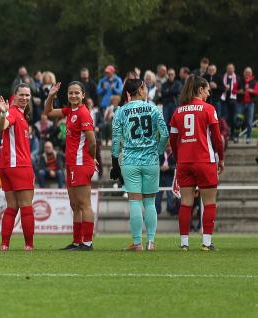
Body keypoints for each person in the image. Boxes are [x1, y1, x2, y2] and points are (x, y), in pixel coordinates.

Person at [111, 78, 169, 251]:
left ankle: (137, 243)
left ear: (128, 93)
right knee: (150, 203)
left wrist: (115, 162)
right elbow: (165, 134)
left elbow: (115, 140)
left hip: (130, 161)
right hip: (151, 160)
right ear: (141, 90)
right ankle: (151, 242)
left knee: (134, 202)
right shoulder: (153, 108)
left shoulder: (121, 111)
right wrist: (158, 151)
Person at [169, 76, 225, 251]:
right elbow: (217, 138)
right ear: (200, 89)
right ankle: (207, 243)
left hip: (185, 161)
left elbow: (173, 140)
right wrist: (221, 158)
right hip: (204, 160)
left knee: (186, 202)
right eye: (207, 90)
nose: (209, 93)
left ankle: (184, 243)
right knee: (209, 202)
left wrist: (179, 160)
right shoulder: (208, 109)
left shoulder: (177, 112)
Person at [44, 82, 98, 249]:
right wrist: (51, 95)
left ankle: (87, 243)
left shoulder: (83, 113)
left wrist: (92, 158)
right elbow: (49, 111)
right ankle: (77, 241)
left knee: (84, 204)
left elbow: (92, 142)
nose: (73, 96)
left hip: (81, 163)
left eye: (77, 93)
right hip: (72, 164)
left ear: (83, 95)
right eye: (70, 93)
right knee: (75, 205)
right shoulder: (70, 111)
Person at [0, 85, 36, 250]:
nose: (25, 98)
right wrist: (4, 112)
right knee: (26, 205)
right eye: (22, 95)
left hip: (6, 166)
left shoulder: (20, 114)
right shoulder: (12, 112)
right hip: (19, 165)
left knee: (11, 206)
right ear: (15, 96)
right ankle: (29, 245)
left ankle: (4, 244)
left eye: (27, 95)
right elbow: (1, 126)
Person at [238, 66, 256, 143]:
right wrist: (240, 91)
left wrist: (251, 90)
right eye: (246, 72)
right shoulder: (239, 81)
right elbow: (234, 91)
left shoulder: (255, 82)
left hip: (250, 104)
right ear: (243, 73)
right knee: (239, 120)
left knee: (249, 121)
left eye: (249, 72)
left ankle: (248, 138)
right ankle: (236, 137)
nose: (247, 73)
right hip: (241, 103)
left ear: (251, 74)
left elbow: (257, 92)